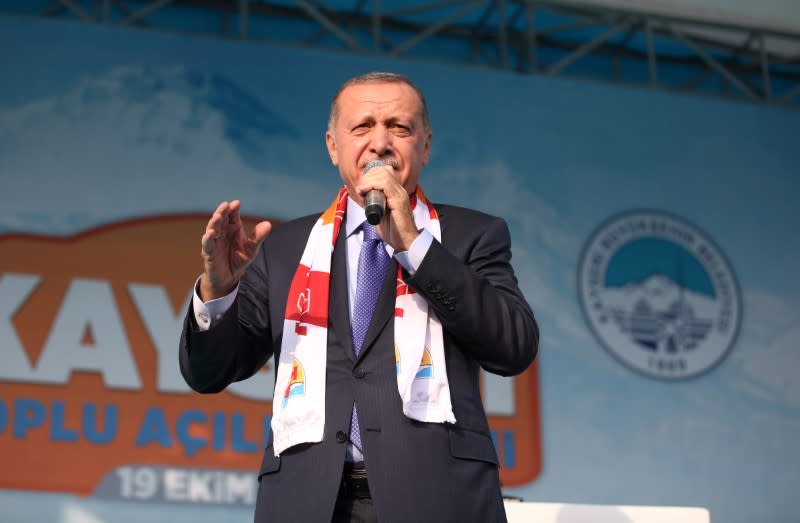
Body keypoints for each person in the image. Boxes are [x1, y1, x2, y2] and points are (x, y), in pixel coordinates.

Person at [179, 71, 539, 523]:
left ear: (425, 146)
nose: (381, 142)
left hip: (436, 499)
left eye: (399, 127)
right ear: (333, 146)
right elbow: (209, 372)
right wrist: (218, 289)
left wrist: (417, 246)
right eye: (363, 126)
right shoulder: (288, 249)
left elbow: (514, 347)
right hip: (306, 502)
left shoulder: (470, 236)